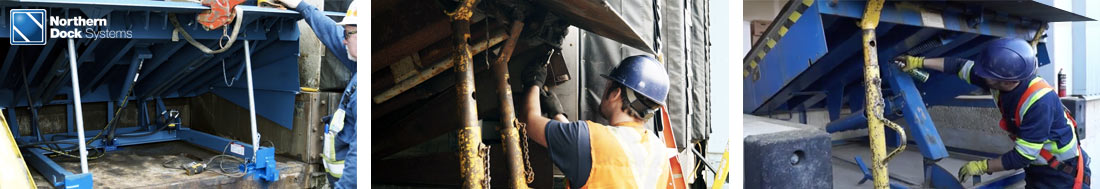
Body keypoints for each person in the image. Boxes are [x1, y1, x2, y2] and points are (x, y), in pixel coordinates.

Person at [897, 38, 1090, 188]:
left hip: (1059, 174)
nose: (980, 76)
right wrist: (918, 61)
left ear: (1006, 81)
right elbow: (958, 66)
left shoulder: (1039, 102)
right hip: (1039, 167)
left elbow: (1022, 156)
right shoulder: (1001, 76)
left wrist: (982, 166)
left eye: (987, 76)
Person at [521, 55, 677, 188]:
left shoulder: (589, 138)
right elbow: (589, 148)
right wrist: (557, 112)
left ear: (615, 93)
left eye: (607, 86)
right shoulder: (659, 151)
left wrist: (533, 83)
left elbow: (529, 122)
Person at [272, 0, 359, 188]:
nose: (343, 39)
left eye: (348, 33)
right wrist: (301, 7)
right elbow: (330, 32)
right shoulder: (358, 63)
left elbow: (359, 153)